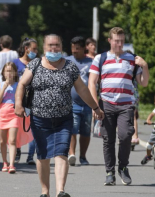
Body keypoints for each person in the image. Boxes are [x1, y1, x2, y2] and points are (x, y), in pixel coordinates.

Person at [15, 34, 104, 197]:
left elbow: (82, 89)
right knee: (42, 155)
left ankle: (60, 191)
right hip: (39, 118)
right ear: (44, 47)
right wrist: (19, 105)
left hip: (63, 118)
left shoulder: (69, 67)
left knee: (62, 152)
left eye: (56, 45)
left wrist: (95, 107)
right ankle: (45, 191)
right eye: (50, 45)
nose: (53, 48)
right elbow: (21, 84)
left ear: (61, 46)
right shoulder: (35, 64)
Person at [88, 27, 149, 186]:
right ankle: (109, 172)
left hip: (126, 105)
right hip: (106, 104)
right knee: (108, 139)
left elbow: (143, 83)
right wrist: (95, 106)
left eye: (122, 41)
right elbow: (91, 83)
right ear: (110, 41)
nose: (119, 44)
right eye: (116, 41)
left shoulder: (132, 58)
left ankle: (123, 166)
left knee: (125, 135)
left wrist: (145, 66)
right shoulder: (100, 58)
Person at [0, 62, 33, 173]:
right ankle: (4, 162)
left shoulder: (19, 85)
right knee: (2, 141)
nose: (9, 73)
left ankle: (11, 165)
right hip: (2, 113)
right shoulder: (0, 85)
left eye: (11, 71)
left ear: (15, 72)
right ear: (3, 73)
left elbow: (23, 100)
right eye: (7, 71)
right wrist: (4, 88)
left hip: (14, 114)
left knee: (12, 141)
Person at [65, 36, 93, 166]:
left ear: (83, 48)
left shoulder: (91, 62)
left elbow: (96, 82)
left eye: (77, 48)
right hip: (72, 103)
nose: (74, 51)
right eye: (72, 48)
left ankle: (83, 156)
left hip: (87, 103)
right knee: (73, 130)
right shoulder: (67, 61)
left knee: (85, 132)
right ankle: (72, 154)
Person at [13, 37, 39, 165]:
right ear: (26, 49)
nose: (36, 51)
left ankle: (30, 156)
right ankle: (17, 151)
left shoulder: (38, 64)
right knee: (17, 128)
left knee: (32, 128)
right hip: (18, 101)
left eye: (36, 49)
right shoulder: (15, 63)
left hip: (32, 102)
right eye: (33, 49)